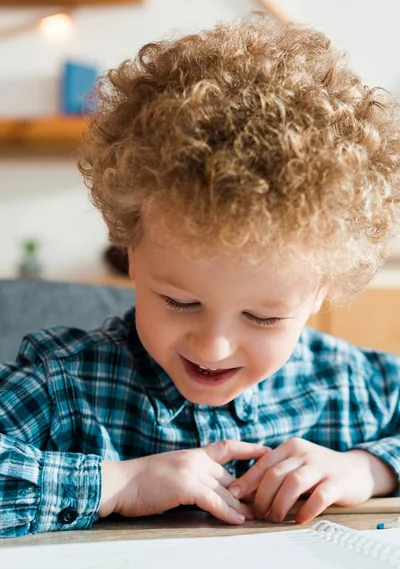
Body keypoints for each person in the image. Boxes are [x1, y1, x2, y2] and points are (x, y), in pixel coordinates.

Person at [1, 14, 399, 539]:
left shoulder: (352, 388)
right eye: (179, 302)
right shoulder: (67, 389)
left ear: (322, 288)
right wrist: (117, 483)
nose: (212, 348)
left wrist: (371, 468)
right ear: (132, 252)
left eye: (263, 316)